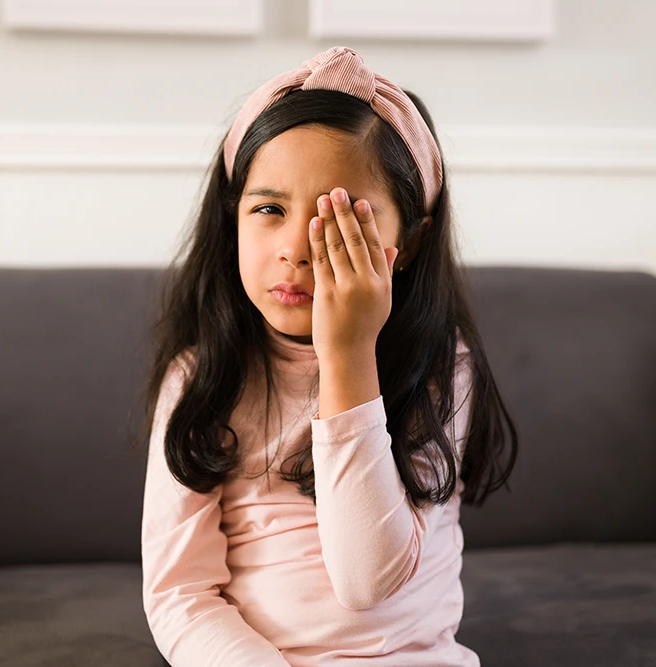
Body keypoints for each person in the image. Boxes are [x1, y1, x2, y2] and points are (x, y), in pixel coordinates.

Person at [140, 46, 517, 666]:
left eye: (335, 223)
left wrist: (348, 355)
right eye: (269, 209)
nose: (295, 248)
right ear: (233, 218)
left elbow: (368, 580)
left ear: (408, 243)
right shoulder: (200, 378)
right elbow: (181, 594)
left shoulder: (441, 364)